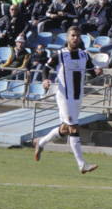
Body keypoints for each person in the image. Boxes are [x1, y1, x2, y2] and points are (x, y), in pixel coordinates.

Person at [32, 25, 103, 174]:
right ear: (67, 38)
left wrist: (97, 71)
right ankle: (81, 164)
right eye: (73, 36)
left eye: (78, 36)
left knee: (65, 129)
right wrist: (45, 80)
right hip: (65, 97)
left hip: (78, 97)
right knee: (74, 128)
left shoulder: (84, 55)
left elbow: (92, 71)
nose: (75, 38)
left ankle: (41, 142)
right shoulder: (60, 54)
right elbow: (45, 67)